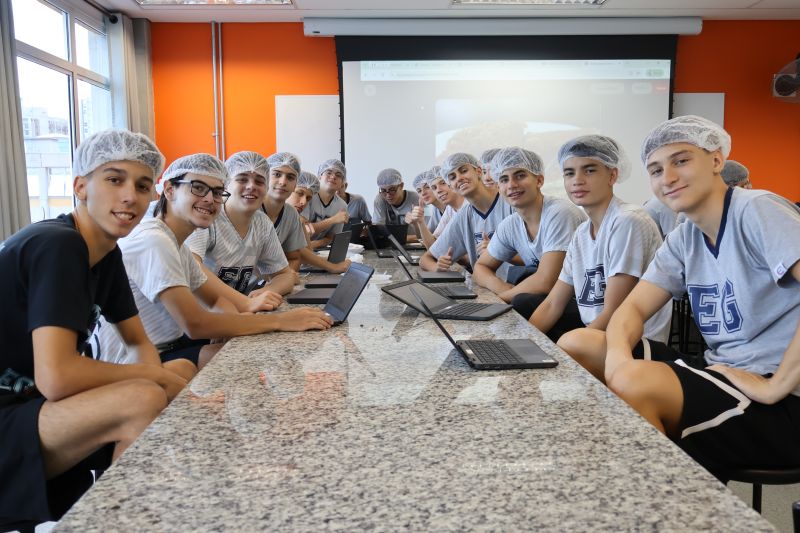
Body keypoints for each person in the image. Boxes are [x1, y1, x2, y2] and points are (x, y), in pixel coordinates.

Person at [557, 115, 800, 475]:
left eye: (681, 161)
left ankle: (658, 494)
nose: (667, 178)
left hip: (781, 399)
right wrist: (618, 365)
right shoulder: (685, 237)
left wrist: (775, 385)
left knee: (634, 381)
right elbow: (631, 311)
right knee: (579, 342)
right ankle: (621, 469)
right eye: (656, 170)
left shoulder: (756, 209)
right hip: (724, 371)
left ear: (716, 160)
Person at [0, 129, 192, 526]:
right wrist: (154, 380)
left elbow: (138, 342)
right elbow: (57, 377)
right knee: (141, 397)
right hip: (14, 411)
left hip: (29, 404)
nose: (130, 196)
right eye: (114, 179)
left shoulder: (105, 253)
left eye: (142, 186)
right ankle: (116, 522)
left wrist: (161, 380)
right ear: (80, 187)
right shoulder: (58, 245)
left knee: (180, 370)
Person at [93, 153, 333, 369]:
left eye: (217, 192)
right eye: (198, 188)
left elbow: (216, 300)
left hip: (170, 346)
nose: (209, 199)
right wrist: (279, 321)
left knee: (251, 349)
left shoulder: (176, 243)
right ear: (169, 190)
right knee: (251, 359)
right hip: (128, 363)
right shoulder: (155, 240)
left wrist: (235, 321)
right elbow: (195, 324)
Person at [528, 135, 671, 345]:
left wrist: (569, 349)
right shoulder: (581, 233)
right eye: (569, 173)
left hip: (633, 341)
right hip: (597, 335)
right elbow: (552, 304)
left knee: (571, 343)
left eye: (589, 170)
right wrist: (523, 343)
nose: (577, 180)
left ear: (612, 176)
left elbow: (613, 312)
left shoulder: (628, 221)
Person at [471, 147, 586, 306]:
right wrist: (503, 289)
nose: (511, 185)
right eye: (504, 179)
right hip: (551, 302)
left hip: (582, 303)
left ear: (539, 180)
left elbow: (545, 282)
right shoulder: (510, 225)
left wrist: (500, 300)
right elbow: (480, 267)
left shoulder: (560, 213)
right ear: (499, 187)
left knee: (522, 301)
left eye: (520, 176)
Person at [185, 151, 297, 297]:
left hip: (240, 307)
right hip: (201, 308)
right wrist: (244, 302)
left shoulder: (262, 223)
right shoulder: (207, 216)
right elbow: (192, 266)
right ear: (225, 185)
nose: (251, 186)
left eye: (259, 181)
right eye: (242, 179)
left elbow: (285, 276)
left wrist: (261, 294)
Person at [419, 153, 514, 273]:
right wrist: (438, 268)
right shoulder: (464, 216)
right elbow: (426, 259)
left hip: (521, 282)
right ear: (451, 186)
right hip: (484, 283)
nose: (459, 178)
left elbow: (535, 256)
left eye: (464, 171)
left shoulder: (511, 203)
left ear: (478, 171)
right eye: (452, 177)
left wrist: (497, 251)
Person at [261, 152, 351, 274]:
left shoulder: (291, 214)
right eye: (277, 174)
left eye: (290, 177)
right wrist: (331, 266)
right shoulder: (254, 211)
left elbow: (298, 254)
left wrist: (287, 277)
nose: (303, 202)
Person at [301, 158, 349, 249]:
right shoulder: (307, 197)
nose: (333, 177)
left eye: (338, 175)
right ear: (320, 176)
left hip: (319, 250)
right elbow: (304, 230)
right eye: (329, 172)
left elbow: (331, 238)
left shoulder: (342, 206)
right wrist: (333, 220)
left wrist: (313, 245)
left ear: (342, 183)